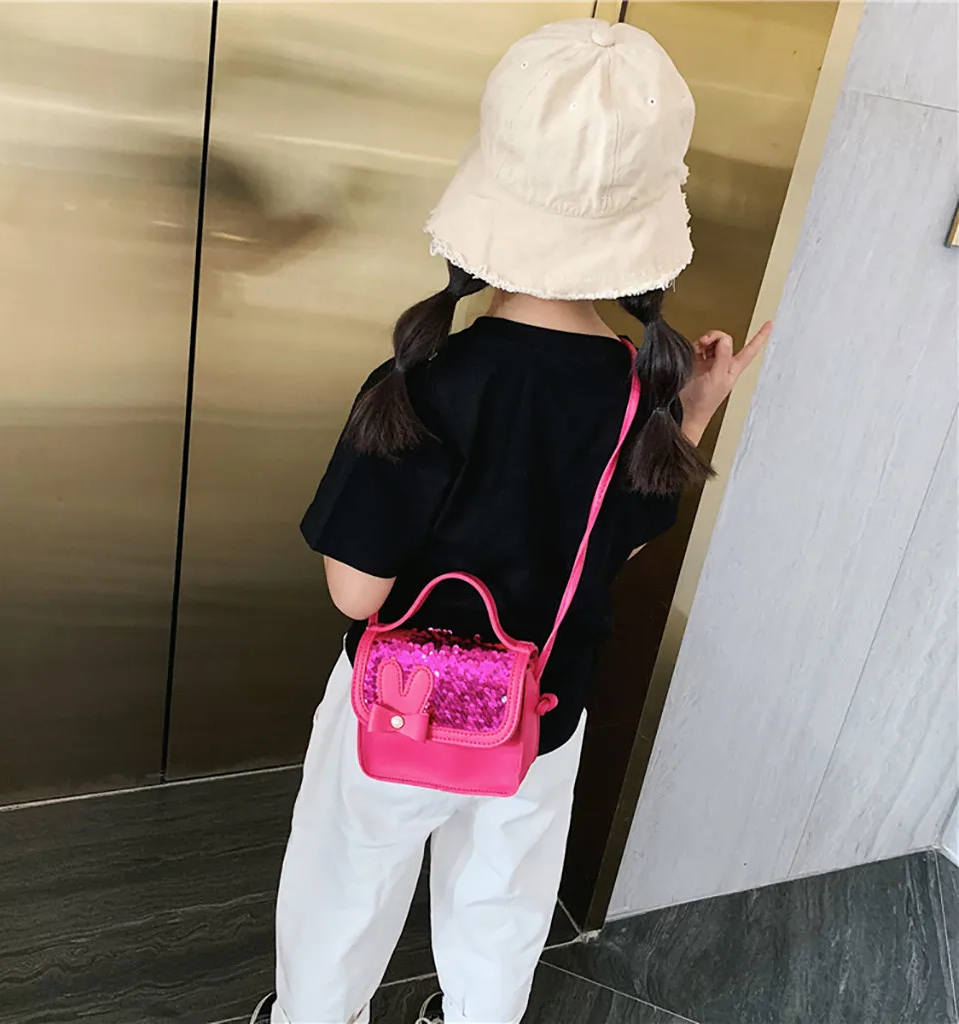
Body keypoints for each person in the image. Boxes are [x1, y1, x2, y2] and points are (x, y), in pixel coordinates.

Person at [251, 18, 770, 1024]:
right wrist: (695, 411)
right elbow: (619, 542)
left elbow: (355, 591)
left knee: (343, 886)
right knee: (500, 904)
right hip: (540, 715)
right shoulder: (639, 392)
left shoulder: (423, 381)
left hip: (394, 706)